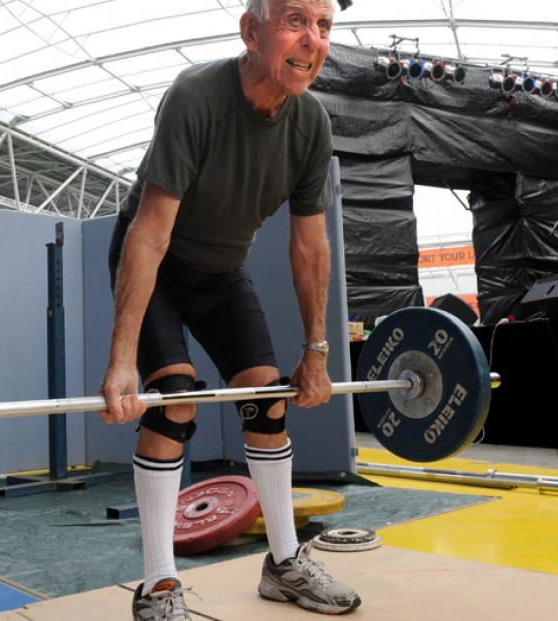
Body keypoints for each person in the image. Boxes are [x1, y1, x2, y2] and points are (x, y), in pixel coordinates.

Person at [99, 0, 361, 618]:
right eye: (296, 20)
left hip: (219, 274)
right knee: (175, 401)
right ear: (251, 30)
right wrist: (121, 363)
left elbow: (309, 245)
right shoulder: (197, 96)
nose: (313, 40)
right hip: (155, 262)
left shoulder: (311, 124)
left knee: (267, 401)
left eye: (324, 27)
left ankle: (284, 564)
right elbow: (150, 232)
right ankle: (159, 586)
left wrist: (316, 352)